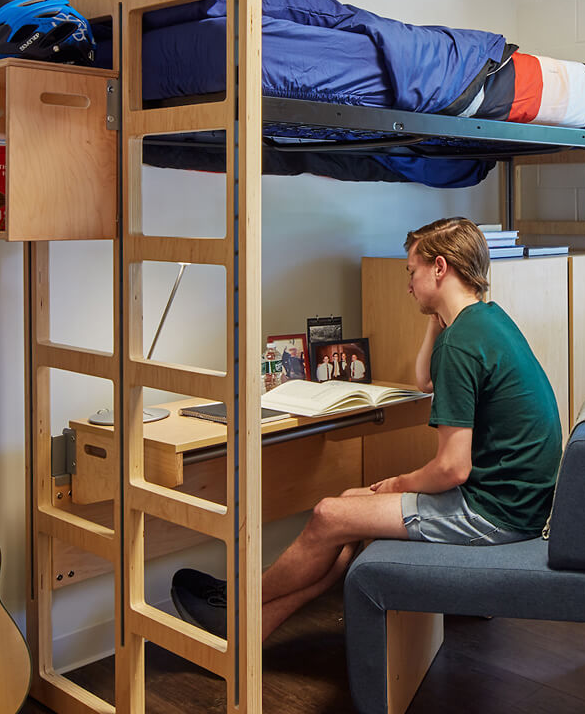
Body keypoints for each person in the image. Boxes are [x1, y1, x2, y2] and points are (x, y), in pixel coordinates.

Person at [170, 216, 563, 641]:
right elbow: (424, 382)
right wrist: (437, 317)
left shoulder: (461, 344)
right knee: (347, 509)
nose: (409, 284)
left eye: (412, 271)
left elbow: (452, 469)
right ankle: (248, 629)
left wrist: (398, 483)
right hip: (520, 503)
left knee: (327, 513)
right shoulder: (484, 320)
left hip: (494, 514)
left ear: (440, 267)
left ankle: (236, 599)